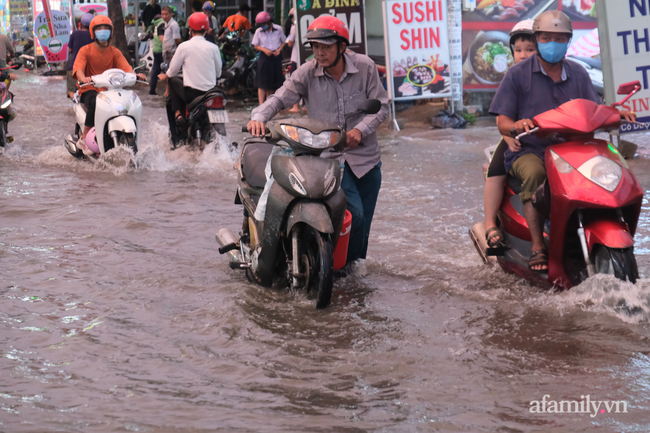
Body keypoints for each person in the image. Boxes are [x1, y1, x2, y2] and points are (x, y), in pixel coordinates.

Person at [489, 10, 636, 272]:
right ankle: (537, 247)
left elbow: (593, 109)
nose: (553, 44)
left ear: (568, 41)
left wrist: (615, 114)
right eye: (546, 38)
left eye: (559, 39)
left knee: (612, 171)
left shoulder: (578, 73)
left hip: (574, 150)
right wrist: (517, 125)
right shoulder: (517, 75)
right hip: (531, 150)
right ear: (538, 38)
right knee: (534, 175)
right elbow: (503, 121)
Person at [247, 15, 389, 266]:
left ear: (342, 47)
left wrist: (359, 130)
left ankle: (353, 269)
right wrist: (258, 117)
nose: (319, 53)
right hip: (329, 160)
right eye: (315, 47)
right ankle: (335, 269)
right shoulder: (307, 73)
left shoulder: (365, 67)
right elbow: (280, 98)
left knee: (363, 222)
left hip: (367, 160)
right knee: (353, 215)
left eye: (326, 46)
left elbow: (381, 107)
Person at [483, 19, 535, 249]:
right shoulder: (512, 76)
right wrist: (507, 136)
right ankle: (489, 223)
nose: (524, 55)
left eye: (530, 49)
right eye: (519, 50)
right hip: (516, 136)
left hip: (548, 138)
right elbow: (501, 116)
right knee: (496, 172)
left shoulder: (556, 74)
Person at [73, 16, 146, 155]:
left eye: (106, 28)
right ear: (93, 32)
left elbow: (127, 68)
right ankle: (84, 137)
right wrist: (83, 78)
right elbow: (79, 70)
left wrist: (135, 75)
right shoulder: (85, 50)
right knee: (95, 101)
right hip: (89, 89)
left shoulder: (114, 52)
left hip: (110, 91)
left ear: (111, 31)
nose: (103, 31)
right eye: (99, 28)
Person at [157, 12, 222, 132]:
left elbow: (172, 71)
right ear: (207, 30)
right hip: (211, 94)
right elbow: (218, 73)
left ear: (190, 30)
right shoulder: (214, 48)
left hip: (193, 95)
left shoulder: (184, 46)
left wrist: (165, 76)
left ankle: (178, 114)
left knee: (172, 80)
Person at [251, 11, 286, 105]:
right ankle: (261, 104)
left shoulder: (278, 29)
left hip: (276, 57)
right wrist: (265, 50)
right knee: (262, 82)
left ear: (269, 22)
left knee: (272, 83)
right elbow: (255, 45)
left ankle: (269, 104)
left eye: (263, 24)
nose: (262, 26)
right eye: (260, 24)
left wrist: (279, 49)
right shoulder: (259, 31)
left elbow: (284, 41)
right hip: (264, 57)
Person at [66, 13, 94, 99]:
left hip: (74, 67)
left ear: (81, 24)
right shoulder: (95, 35)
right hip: (91, 69)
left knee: (71, 90)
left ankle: (76, 100)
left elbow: (69, 50)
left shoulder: (75, 34)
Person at [285, 8, 300, 113]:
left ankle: (296, 106)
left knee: (295, 83)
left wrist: (291, 31)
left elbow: (290, 44)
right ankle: (306, 106)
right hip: (305, 58)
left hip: (296, 58)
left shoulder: (294, 27)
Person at [148, 14, 165, 95]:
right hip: (162, 50)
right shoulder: (162, 24)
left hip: (156, 50)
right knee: (168, 71)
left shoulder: (155, 25)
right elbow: (162, 39)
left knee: (155, 71)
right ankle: (168, 92)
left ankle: (152, 90)